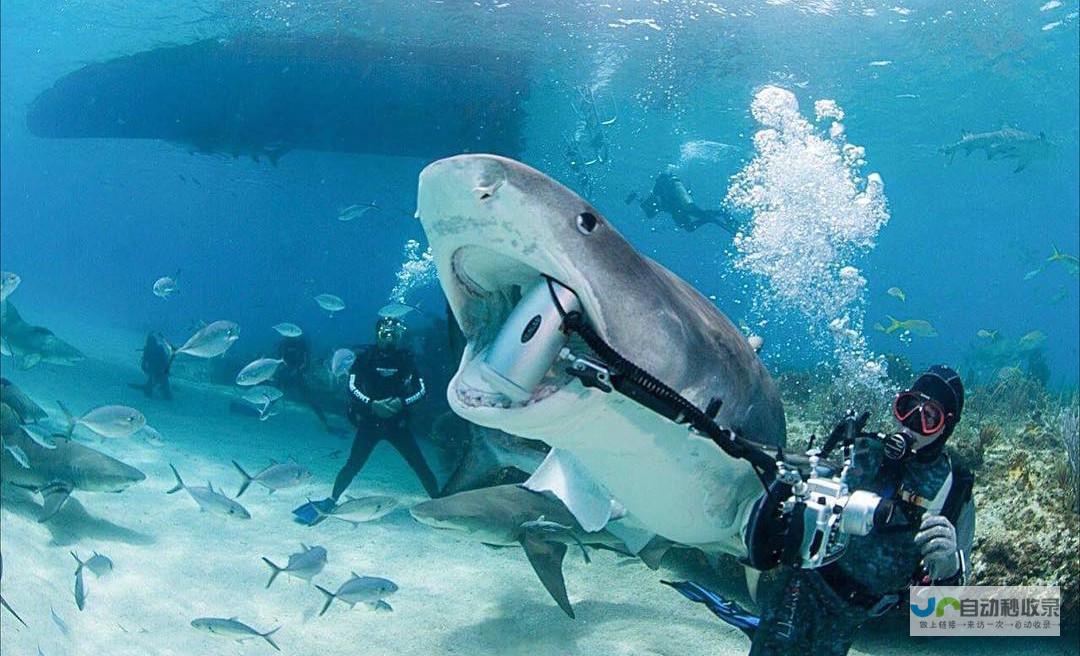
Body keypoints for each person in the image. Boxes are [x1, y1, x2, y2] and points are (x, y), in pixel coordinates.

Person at [668, 365, 975, 656]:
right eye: (907, 407)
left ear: (947, 425)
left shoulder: (954, 488)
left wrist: (948, 565)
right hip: (804, 584)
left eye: (929, 416)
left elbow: (944, 613)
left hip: (856, 613)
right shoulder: (863, 452)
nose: (912, 423)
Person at [330, 316, 441, 501]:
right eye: (384, 334)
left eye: (393, 334)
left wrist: (402, 402)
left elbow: (421, 389)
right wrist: (371, 404)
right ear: (377, 335)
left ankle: (438, 501)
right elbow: (351, 387)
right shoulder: (365, 358)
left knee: (419, 464)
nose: (389, 338)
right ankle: (332, 500)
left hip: (398, 425)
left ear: (399, 336)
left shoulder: (406, 360)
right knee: (353, 465)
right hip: (369, 423)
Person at [633, 166, 737, 233]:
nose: (654, 213)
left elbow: (663, 193)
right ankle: (712, 217)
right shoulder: (660, 205)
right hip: (677, 204)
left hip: (677, 193)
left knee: (690, 208)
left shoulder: (657, 194)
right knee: (688, 227)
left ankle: (720, 214)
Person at [274, 334, 333, 432]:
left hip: (298, 375)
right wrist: (285, 371)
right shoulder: (283, 344)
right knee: (274, 394)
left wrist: (298, 371)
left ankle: (323, 421)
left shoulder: (301, 344)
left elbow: (306, 362)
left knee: (309, 398)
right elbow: (279, 359)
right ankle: (264, 414)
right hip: (286, 373)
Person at [130, 332, 173, 399]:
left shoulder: (159, 349)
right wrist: (145, 367)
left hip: (161, 370)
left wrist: (165, 369)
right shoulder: (148, 349)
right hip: (154, 370)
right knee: (154, 384)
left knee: (165, 387)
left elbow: (165, 360)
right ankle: (149, 389)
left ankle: (154, 389)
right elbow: (144, 360)